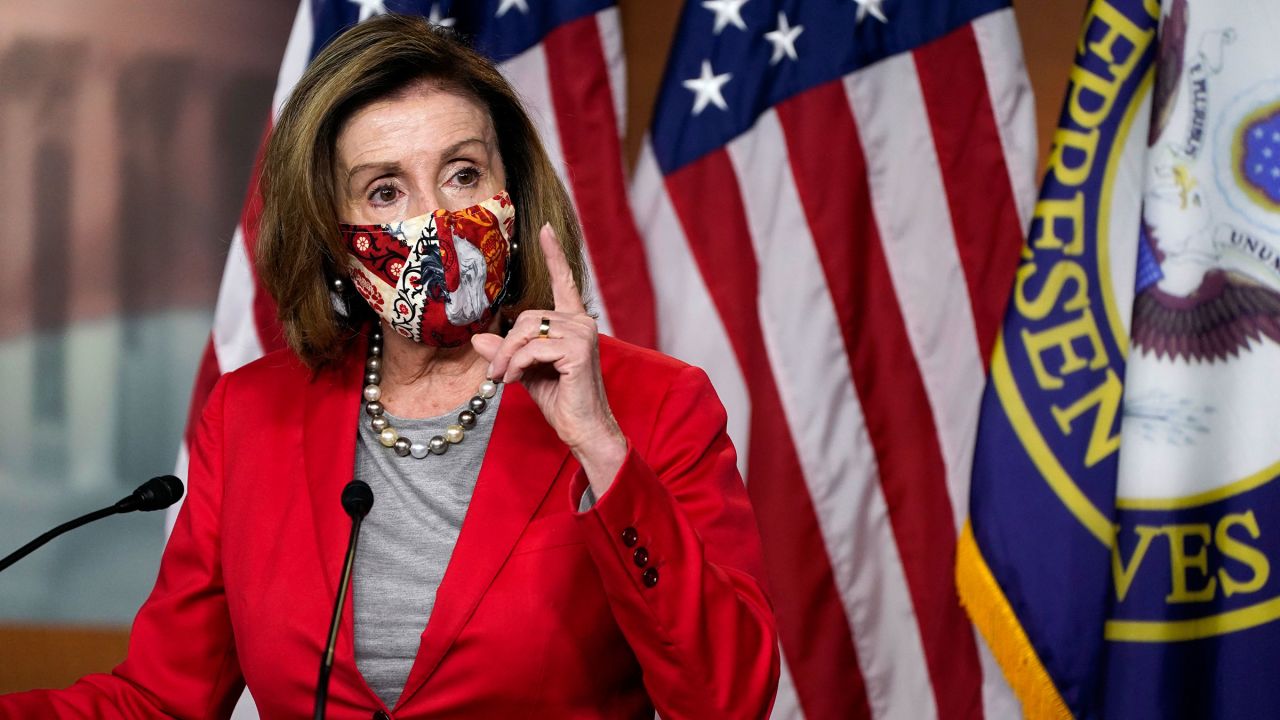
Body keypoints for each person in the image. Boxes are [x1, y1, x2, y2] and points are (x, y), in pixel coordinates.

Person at [0, 13, 779, 720]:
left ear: (514, 188)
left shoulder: (652, 402)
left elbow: (727, 700)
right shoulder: (250, 416)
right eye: (384, 191)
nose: (435, 219)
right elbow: (159, 701)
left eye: (464, 174)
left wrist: (603, 452)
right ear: (336, 237)